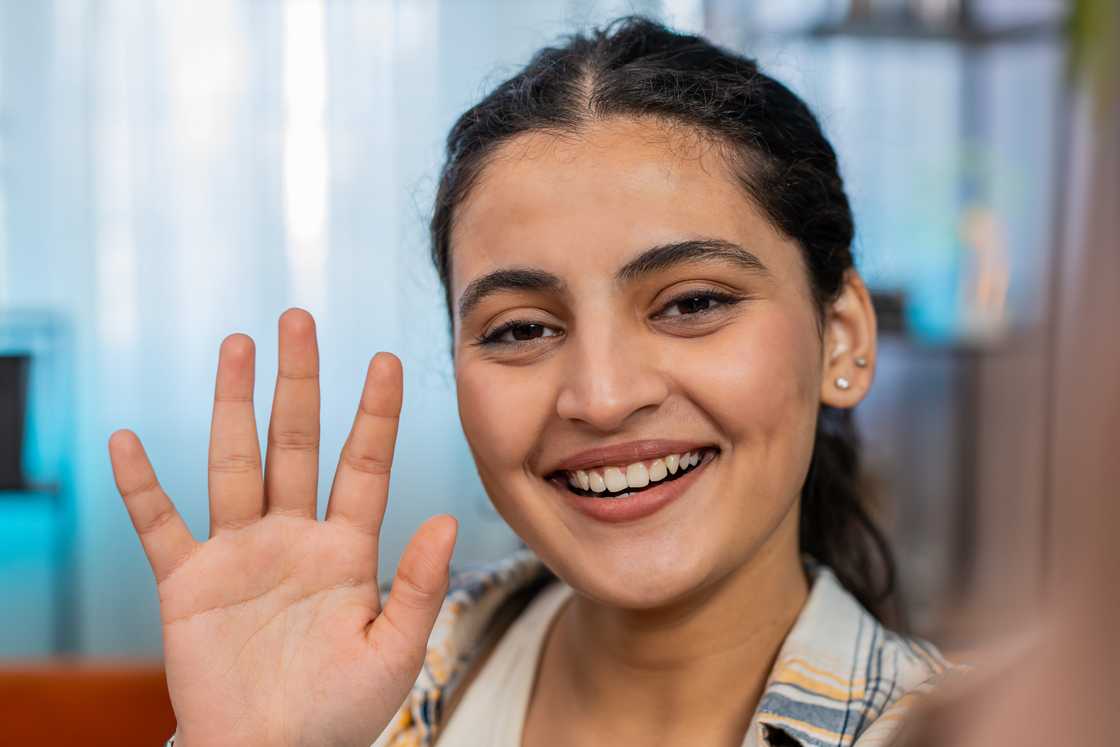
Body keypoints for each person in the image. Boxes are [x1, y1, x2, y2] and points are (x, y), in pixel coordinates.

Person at [108, 16, 955, 747]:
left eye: (692, 301)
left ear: (841, 336)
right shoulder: (368, 691)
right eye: (521, 328)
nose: (601, 394)